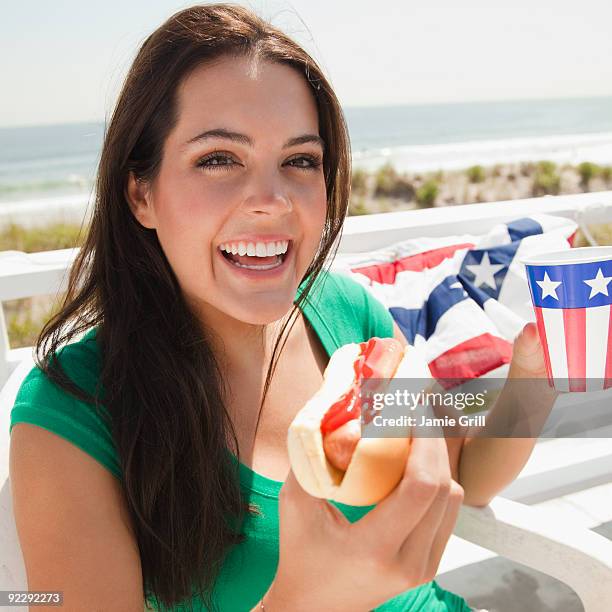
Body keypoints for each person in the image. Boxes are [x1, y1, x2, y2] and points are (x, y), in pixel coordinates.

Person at [8, 4, 553, 611]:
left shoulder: (349, 320)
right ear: (142, 193)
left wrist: (534, 376)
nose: (271, 202)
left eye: (300, 161)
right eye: (218, 159)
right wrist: (303, 600)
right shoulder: (70, 413)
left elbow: (466, 477)